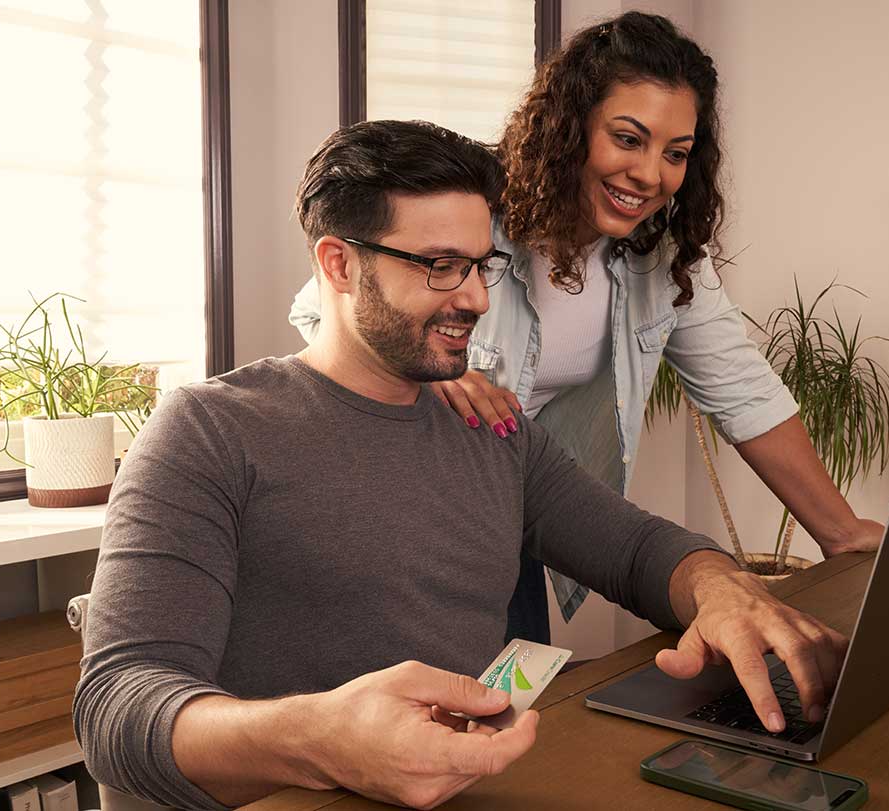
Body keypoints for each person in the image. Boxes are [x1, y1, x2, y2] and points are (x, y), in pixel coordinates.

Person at [74, 119, 849, 811]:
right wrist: (318, 735)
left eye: (484, 265)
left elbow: (635, 547)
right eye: (441, 265)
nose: (477, 298)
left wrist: (720, 589)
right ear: (339, 267)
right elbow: (116, 709)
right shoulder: (209, 430)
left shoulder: (493, 428)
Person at [288, 12, 884, 646]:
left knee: (513, 700)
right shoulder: (470, 209)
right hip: (415, 492)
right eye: (628, 139)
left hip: (512, 492)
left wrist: (841, 531)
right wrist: (434, 377)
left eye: (675, 153)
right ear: (570, 127)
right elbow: (320, 305)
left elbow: (742, 388)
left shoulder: (664, 255)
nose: (651, 174)